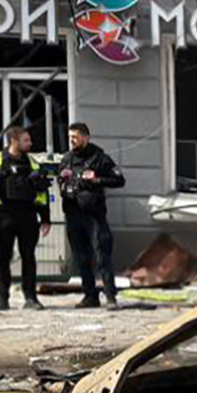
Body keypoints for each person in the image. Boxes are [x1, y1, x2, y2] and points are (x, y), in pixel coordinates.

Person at [0, 123, 51, 311]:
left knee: (29, 257)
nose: (30, 143)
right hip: (4, 216)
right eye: (26, 140)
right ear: (14, 141)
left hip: (28, 216)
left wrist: (45, 219)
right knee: (3, 258)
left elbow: (42, 192)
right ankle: (2, 299)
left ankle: (31, 298)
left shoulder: (33, 163)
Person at [58, 122, 126, 308]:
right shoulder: (67, 159)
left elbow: (119, 180)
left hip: (94, 216)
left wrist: (96, 179)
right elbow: (60, 181)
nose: (72, 140)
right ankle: (90, 296)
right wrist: (63, 178)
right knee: (81, 258)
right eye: (70, 137)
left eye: (75, 137)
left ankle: (110, 296)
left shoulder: (99, 158)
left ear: (86, 138)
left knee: (102, 256)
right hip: (73, 213)